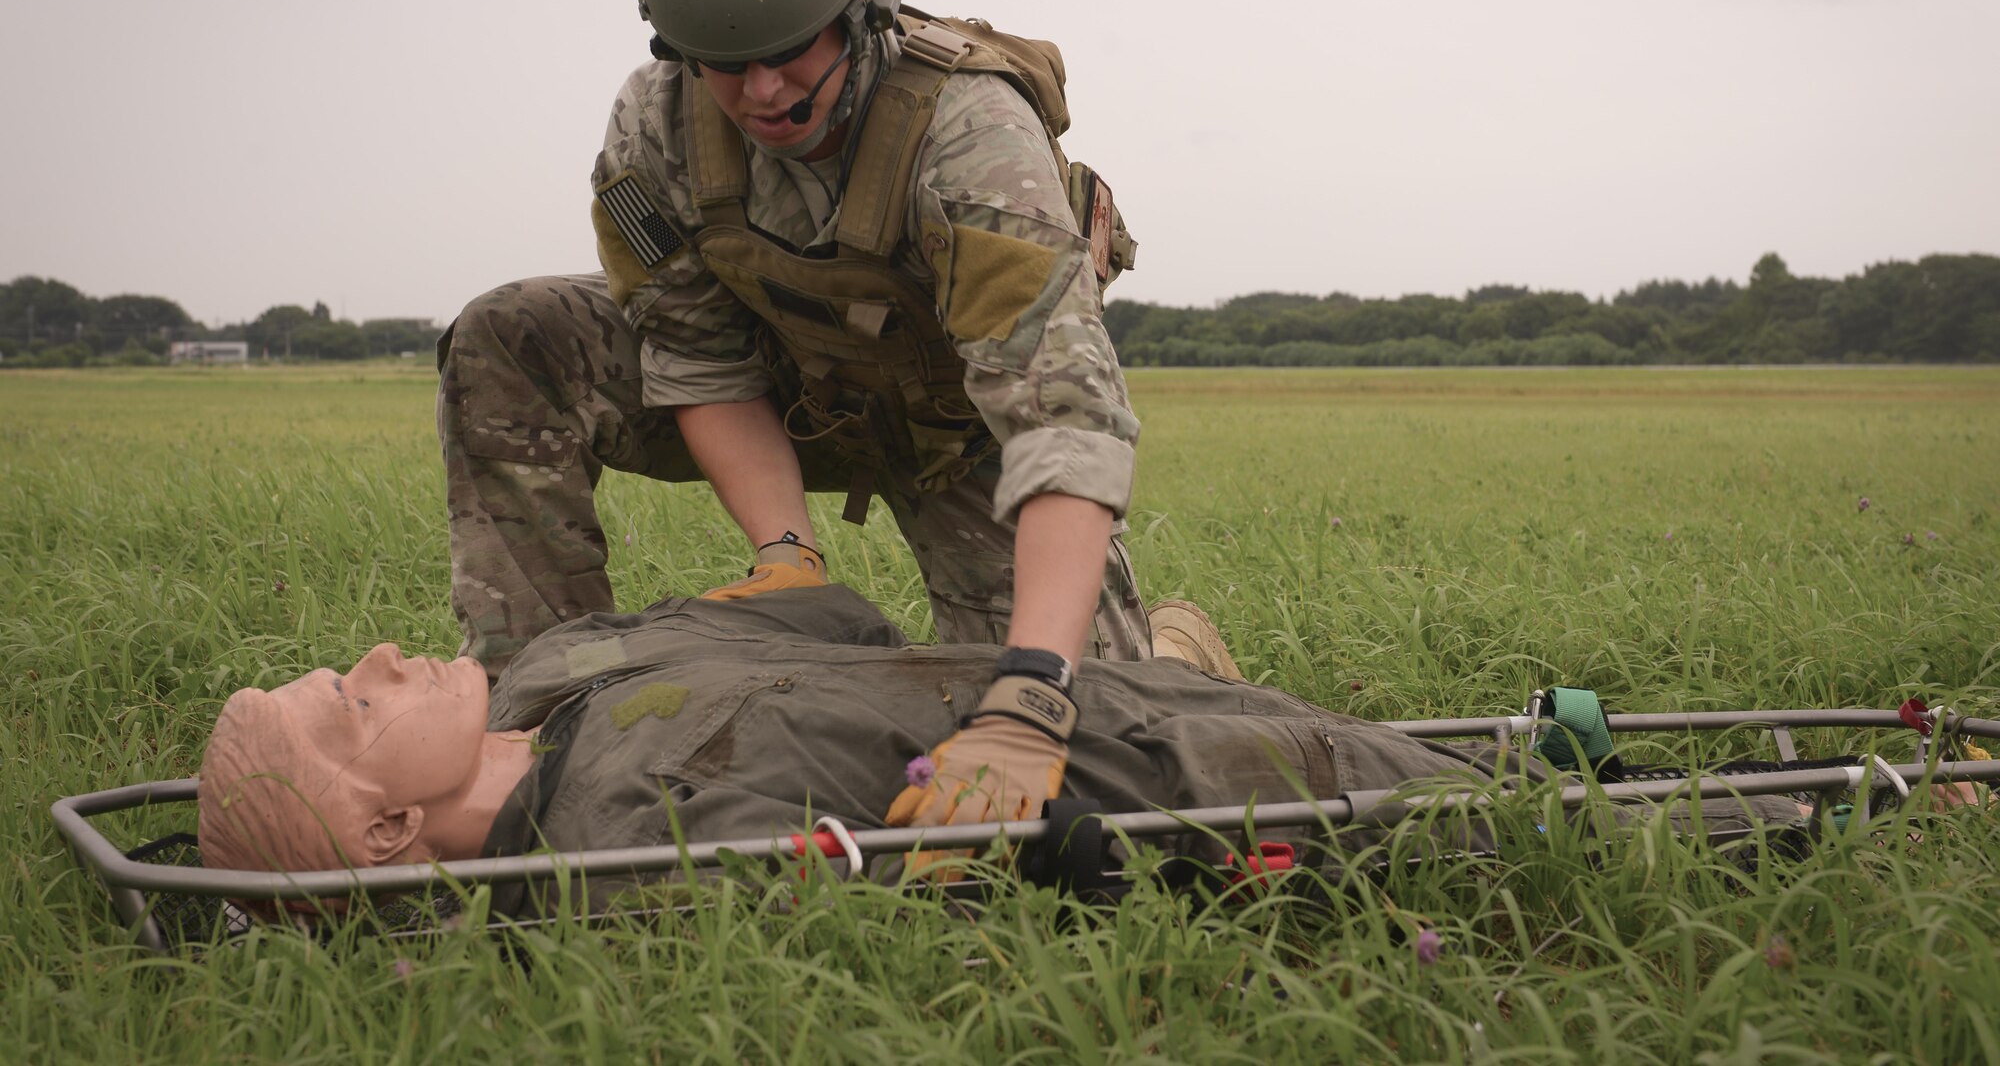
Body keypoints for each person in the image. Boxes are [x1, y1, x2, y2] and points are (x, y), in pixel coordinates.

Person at [437, 0, 1229, 828]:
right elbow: (699, 354)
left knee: (1098, 730)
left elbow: (1059, 425)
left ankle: (1168, 652)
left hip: (961, 432)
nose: (761, 91)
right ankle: (550, 720)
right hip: (794, 392)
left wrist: (1030, 694)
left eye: (786, 52)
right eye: (724, 62)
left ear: (859, 10)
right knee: (516, 334)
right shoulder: (656, 125)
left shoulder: (969, 133)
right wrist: (784, 554)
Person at [198, 585, 1812, 913]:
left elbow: (820, 615)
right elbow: (964, 903)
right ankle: (1860, 804)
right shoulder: (637, 828)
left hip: (1067, 688)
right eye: (351, 703)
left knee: (1438, 757)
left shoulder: (558, 666)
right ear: (392, 829)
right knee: (1519, 835)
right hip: (1157, 783)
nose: (381, 654)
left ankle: (1180, 666)